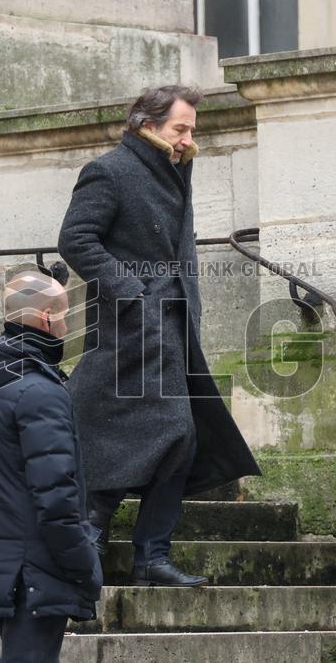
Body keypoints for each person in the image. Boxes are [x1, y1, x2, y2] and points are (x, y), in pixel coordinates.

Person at [57, 85, 261, 587]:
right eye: (181, 128)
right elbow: (75, 238)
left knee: (179, 438)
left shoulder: (171, 168)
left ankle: (138, 552)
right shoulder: (111, 170)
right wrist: (131, 290)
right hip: (130, 327)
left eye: (192, 128)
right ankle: (99, 538)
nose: (190, 138)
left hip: (171, 327)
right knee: (164, 433)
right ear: (147, 124)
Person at [0, 271, 102, 663]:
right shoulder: (40, 392)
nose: (67, 326)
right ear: (47, 318)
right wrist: (86, 565)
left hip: (8, 569)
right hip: (36, 570)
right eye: (65, 316)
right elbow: (55, 499)